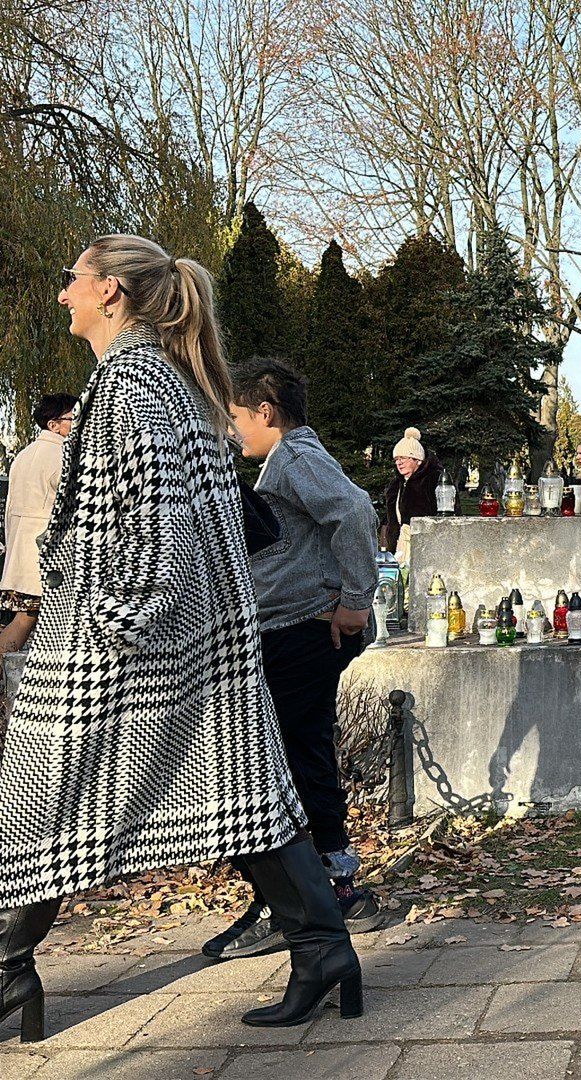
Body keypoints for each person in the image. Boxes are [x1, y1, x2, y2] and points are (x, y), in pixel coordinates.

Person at [0, 235, 362, 1042]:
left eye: (71, 279)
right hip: (181, 639)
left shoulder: (130, 383)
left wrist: (113, 618)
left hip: (122, 645)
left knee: (44, 802)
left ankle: (9, 970)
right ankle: (323, 949)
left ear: (111, 292)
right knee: (236, 798)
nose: (62, 294)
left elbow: (158, 531)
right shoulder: (164, 378)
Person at [203, 357, 382, 962]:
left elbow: (355, 512)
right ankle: (320, 889)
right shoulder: (285, 460)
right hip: (290, 627)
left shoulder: (297, 456)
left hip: (304, 630)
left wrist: (355, 601)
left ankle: (313, 896)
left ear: (265, 412)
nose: (232, 429)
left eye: (235, 416)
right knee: (299, 753)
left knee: (289, 758)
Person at [0, 394, 77, 654]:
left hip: (23, 557)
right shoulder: (65, 455)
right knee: (40, 621)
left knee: (24, 619)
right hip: (52, 558)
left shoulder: (23, 456)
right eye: (74, 418)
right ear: (53, 425)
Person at [378, 426, 441, 556]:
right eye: (396, 459)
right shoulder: (395, 485)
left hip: (428, 546)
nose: (399, 463)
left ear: (418, 460)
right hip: (399, 548)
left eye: (403, 458)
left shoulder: (435, 480)